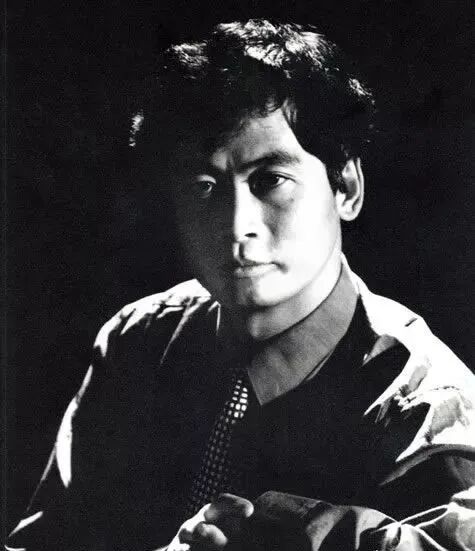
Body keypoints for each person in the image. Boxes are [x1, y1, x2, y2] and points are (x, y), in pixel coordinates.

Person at [7, 19, 475, 551]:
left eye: (270, 180)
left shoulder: (426, 412)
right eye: (203, 187)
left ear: (345, 187)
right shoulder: (135, 341)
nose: (236, 226)